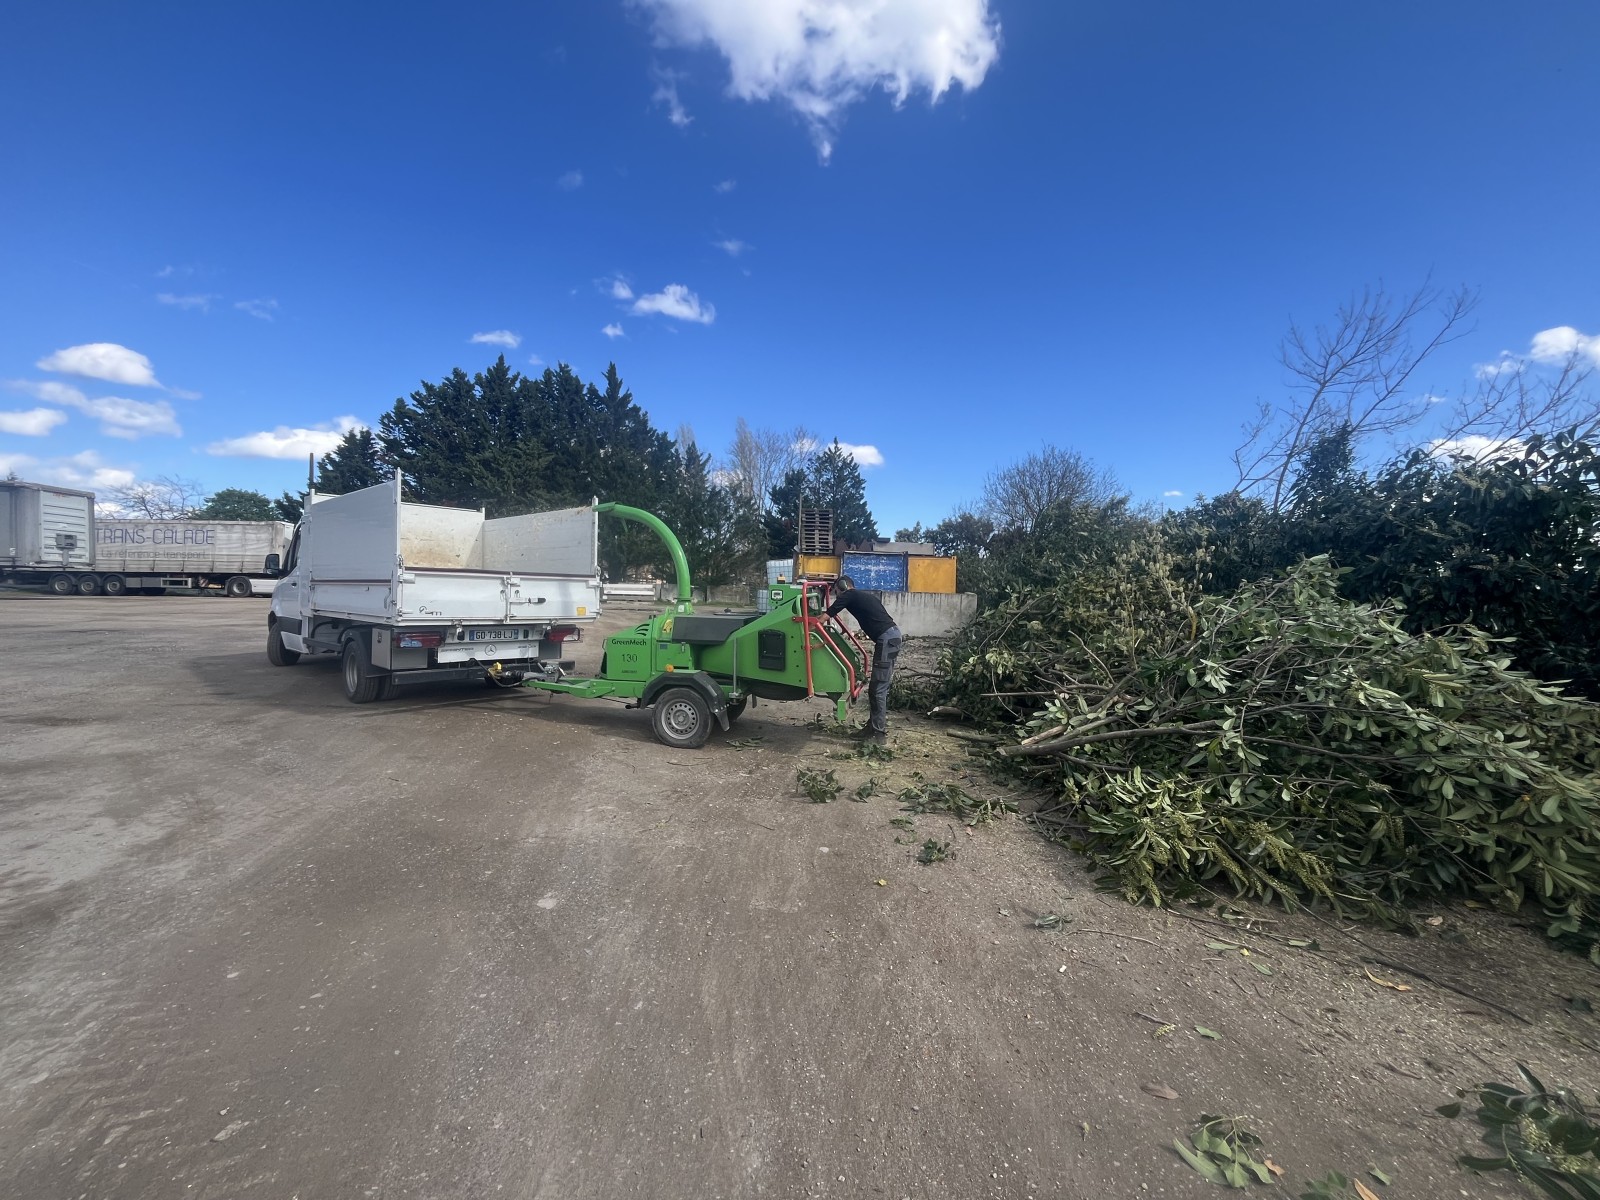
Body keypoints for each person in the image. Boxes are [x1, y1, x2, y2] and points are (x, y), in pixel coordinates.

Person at [825, 575, 902, 740]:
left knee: (878, 688)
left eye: (836, 591)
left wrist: (808, 624)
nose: (836, 596)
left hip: (887, 639)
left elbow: (827, 615)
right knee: (877, 687)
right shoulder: (862, 596)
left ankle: (878, 734)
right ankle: (872, 728)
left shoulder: (849, 594)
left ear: (843, 586)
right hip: (892, 636)